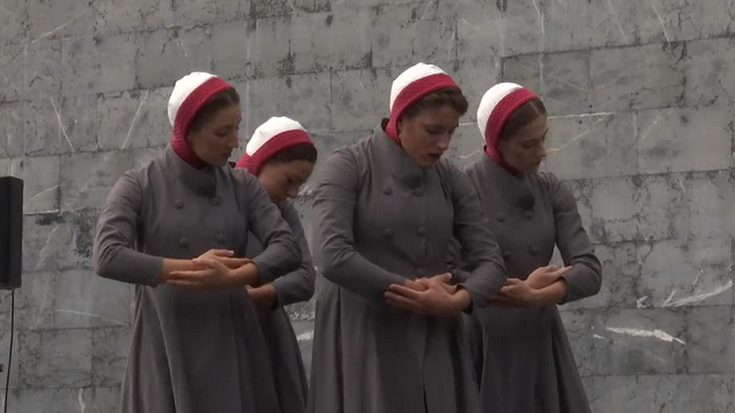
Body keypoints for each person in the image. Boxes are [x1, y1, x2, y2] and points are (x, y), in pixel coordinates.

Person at [92, 72, 302, 413]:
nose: (235, 141)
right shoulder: (140, 185)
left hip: (233, 335)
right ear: (186, 130)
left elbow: (288, 247)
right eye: (222, 132)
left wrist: (237, 276)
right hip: (167, 338)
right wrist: (191, 270)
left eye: (236, 127)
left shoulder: (242, 185)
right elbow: (107, 255)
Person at [307, 62, 507, 413]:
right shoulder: (348, 166)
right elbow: (331, 254)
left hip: (438, 330)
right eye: (432, 131)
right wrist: (411, 292)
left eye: (450, 132)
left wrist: (460, 299)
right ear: (400, 122)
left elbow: (490, 262)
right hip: (366, 330)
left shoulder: (452, 180)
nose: (443, 143)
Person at [464, 82, 603, 413]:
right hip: (482, 339)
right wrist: (515, 290)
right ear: (496, 143)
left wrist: (536, 296)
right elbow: (453, 271)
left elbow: (589, 269)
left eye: (543, 138)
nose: (542, 151)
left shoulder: (550, 189)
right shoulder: (463, 189)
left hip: (539, 335)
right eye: (528, 144)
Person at [235, 116, 318, 413]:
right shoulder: (218, 201)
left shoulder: (281, 210)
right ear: (262, 162)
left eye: (300, 183)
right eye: (289, 181)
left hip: (267, 331)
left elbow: (306, 276)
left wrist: (263, 292)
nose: (293, 192)